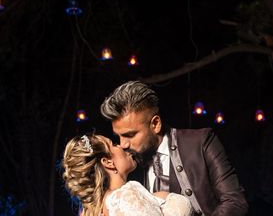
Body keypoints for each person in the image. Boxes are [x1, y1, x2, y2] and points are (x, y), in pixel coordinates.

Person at [100, 81, 249, 216]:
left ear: (155, 124)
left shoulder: (200, 141)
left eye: (130, 135)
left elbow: (235, 202)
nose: (123, 144)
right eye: (118, 136)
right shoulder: (129, 168)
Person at [62, 132, 193, 216]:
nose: (122, 146)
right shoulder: (125, 195)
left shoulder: (101, 208)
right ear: (108, 162)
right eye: (113, 144)